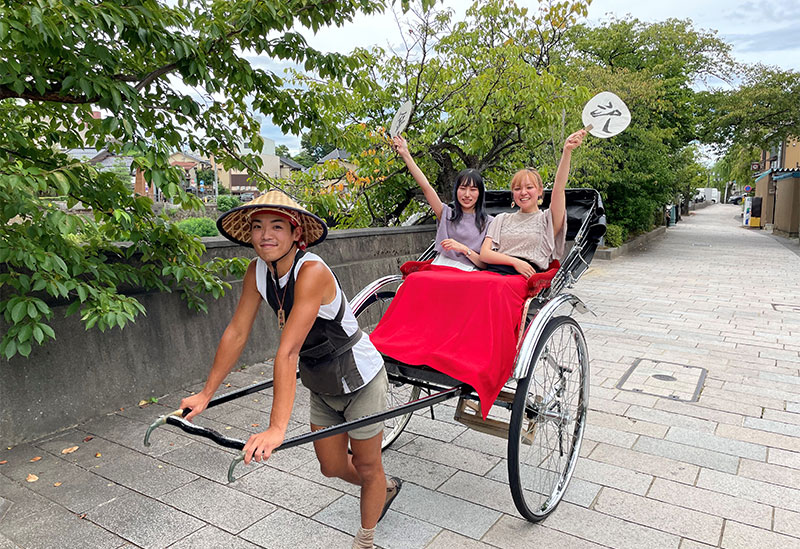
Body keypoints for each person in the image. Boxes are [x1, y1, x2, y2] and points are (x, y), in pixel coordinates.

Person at [180, 191, 401, 549]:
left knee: (367, 464)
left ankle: (366, 537)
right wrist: (206, 394)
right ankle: (382, 488)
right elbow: (237, 332)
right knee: (331, 467)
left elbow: (287, 353)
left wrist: (276, 428)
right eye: (257, 227)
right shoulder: (257, 272)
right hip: (320, 380)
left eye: (277, 226)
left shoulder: (311, 272)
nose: (266, 235)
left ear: (297, 234)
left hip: (360, 377)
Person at [480, 130, 587, 277]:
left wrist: (567, 151)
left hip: (523, 278)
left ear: (539, 191)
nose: (523, 192)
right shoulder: (501, 219)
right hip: (493, 272)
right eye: (517, 189)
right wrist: (515, 262)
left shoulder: (547, 220)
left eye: (529, 187)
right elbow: (484, 254)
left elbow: (558, 189)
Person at [393, 135, 491, 271]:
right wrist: (405, 153)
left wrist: (463, 249)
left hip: (469, 272)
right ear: (456, 191)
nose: (467, 194)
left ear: (480, 193)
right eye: (462, 189)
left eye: (473, 190)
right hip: (441, 266)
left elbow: (484, 264)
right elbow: (426, 187)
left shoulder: (489, 223)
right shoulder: (446, 214)